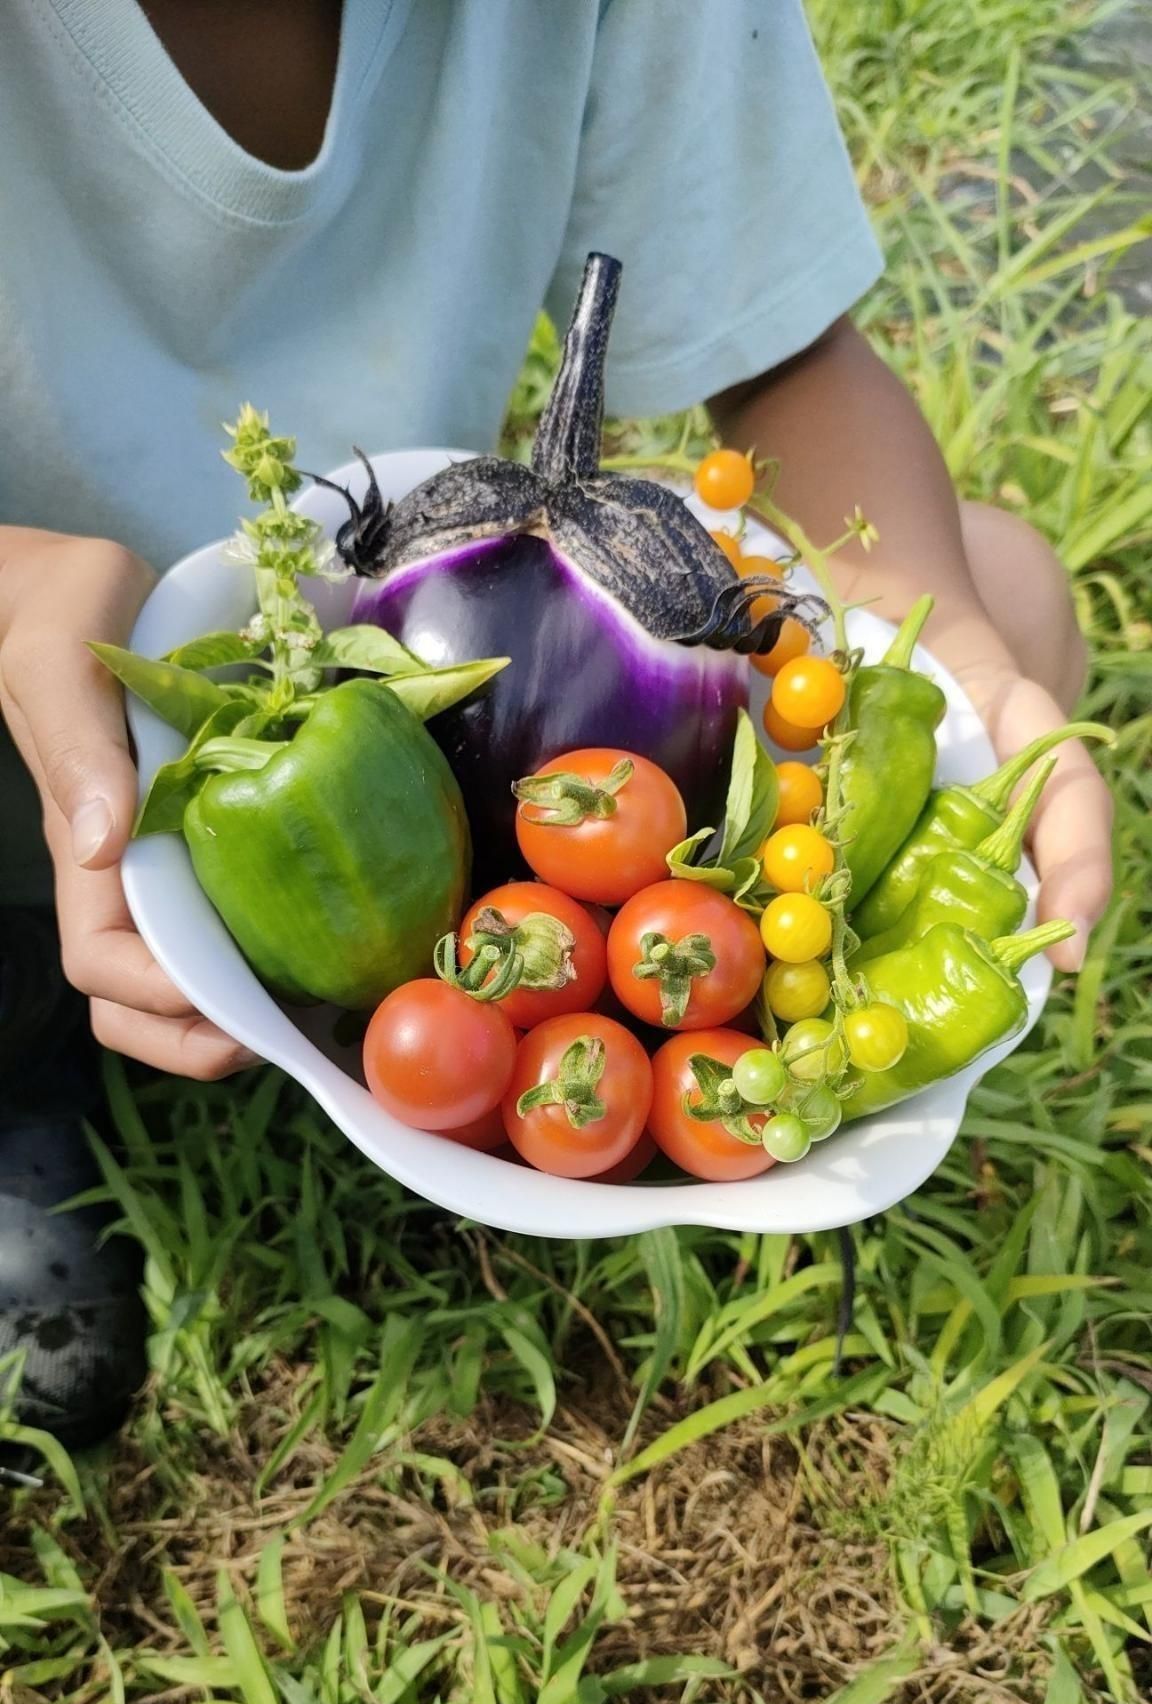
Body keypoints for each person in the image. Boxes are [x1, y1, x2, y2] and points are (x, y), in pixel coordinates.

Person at [0, 0, 1112, 1447]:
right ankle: (25, 1037)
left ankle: (394, 1023)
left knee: (1008, 596)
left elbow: (782, 356)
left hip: (406, 714)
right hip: (39, 695)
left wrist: (957, 651)